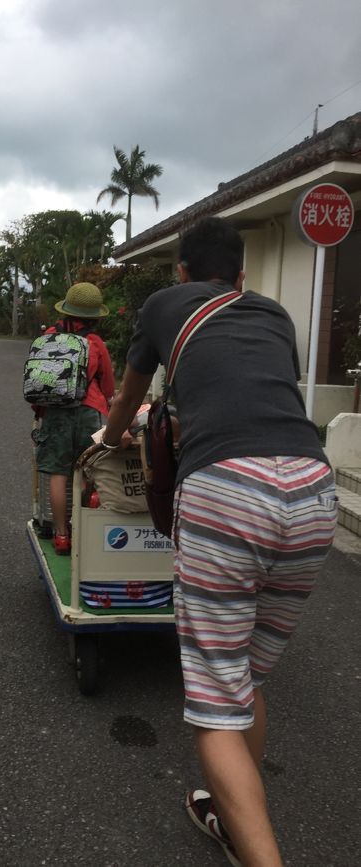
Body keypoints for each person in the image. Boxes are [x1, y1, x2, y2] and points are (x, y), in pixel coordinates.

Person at [87, 218, 337, 866]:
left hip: (228, 491)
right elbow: (258, 392)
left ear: (181, 272)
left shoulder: (163, 304)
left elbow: (129, 399)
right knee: (244, 677)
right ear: (241, 275)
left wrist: (109, 439)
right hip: (313, 489)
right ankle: (230, 818)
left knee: (216, 704)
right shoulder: (274, 315)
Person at [33, 282, 114, 555]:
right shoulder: (95, 342)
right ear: (95, 316)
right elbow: (108, 388)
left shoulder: (49, 336)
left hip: (56, 410)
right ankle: (80, 530)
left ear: (66, 310)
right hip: (88, 411)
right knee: (87, 471)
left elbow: (39, 377)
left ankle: (61, 536)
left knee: (58, 473)